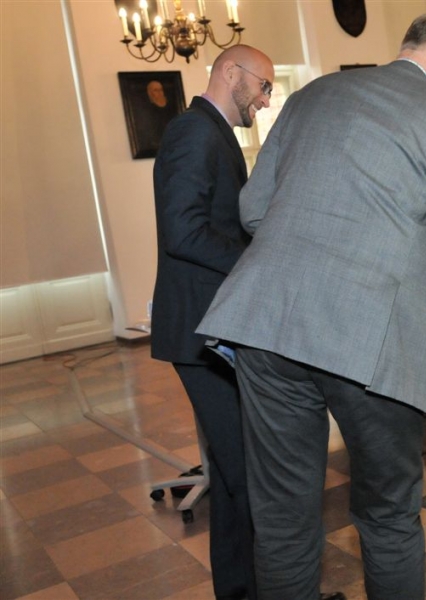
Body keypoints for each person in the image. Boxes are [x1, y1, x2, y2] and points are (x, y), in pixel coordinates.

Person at [196, 13, 426, 600]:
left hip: (270, 323)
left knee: (282, 517)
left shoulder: (314, 94)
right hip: (377, 339)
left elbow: (253, 209)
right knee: (388, 513)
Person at [150, 44, 274, 600]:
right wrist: (257, 260)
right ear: (231, 72)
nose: (265, 100)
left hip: (211, 325)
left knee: (231, 476)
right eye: (264, 86)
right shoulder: (194, 132)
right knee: (247, 473)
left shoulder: (212, 132)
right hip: (201, 331)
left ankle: (242, 590)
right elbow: (184, 232)